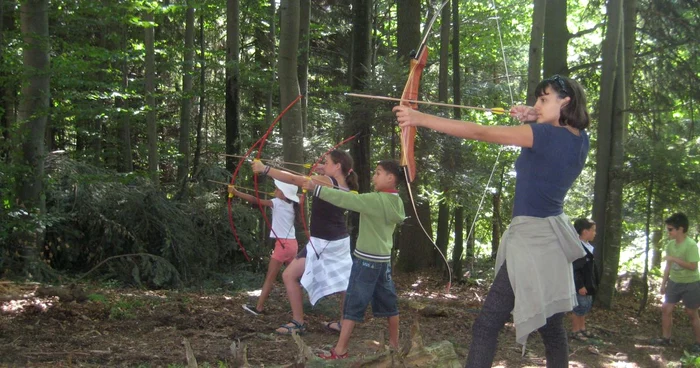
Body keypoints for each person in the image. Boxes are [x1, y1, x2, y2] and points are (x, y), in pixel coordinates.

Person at [393, 74, 590, 367]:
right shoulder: (580, 140)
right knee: (552, 330)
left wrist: (419, 118)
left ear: (566, 102)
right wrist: (535, 116)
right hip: (553, 241)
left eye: (544, 99)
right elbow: (554, 145)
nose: (536, 104)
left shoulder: (544, 136)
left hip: (532, 242)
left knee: (486, 325)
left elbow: (480, 132)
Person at [301, 160, 406, 360]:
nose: (374, 176)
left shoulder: (375, 200)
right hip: (383, 262)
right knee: (390, 305)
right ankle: (394, 346)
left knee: (352, 306)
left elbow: (345, 201)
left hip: (365, 262)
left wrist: (317, 189)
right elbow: (356, 200)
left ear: (390, 178)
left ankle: (340, 351)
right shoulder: (396, 202)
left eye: (378, 173)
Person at [251, 150, 358, 335]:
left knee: (289, 275)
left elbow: (294, 180)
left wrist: (264, 168)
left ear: (338, 166)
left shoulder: (327, 181)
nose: (323, 165)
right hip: (336, 241)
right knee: (344, 284)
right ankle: (341, 323)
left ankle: (299, 322)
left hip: (325, 243)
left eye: (327, 162)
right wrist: (322, 169)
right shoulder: (343, 185)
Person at [228, 179, 300, 316]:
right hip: (293, 244)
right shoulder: (294, 205)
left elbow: (255, 200)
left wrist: (235, 192)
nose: (275, 190)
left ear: (284, 195)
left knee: (270, 277)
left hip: (283, 245)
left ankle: (259, 307)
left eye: (278, 189)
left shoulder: (277, 203)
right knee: (294, 278)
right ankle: (300, 307)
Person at [651, 212, 700, 352]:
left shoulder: (691, 245)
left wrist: (674, 259)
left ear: (681, 229)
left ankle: (698, 343)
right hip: (674, 282)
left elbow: (693, 266)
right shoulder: (670, 245)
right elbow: (668, 266)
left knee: (692, 313)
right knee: (666, 309)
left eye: (670, 229)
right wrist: (663, 283)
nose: (668, 232)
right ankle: (666, 339)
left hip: (691, 283)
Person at [570, 218, 598, 341]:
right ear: (585, 231)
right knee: (579, 307)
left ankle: (582, 328)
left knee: (585, 306)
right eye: (593, 230)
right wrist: (580, 285)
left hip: (588, 283)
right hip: (581, 285)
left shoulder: (588, 247)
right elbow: (575, 269)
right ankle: (575, 330)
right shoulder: (578, 248)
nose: (595, 233)